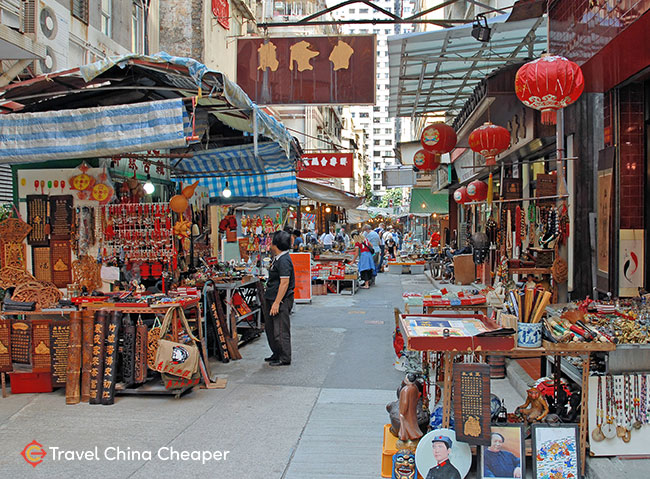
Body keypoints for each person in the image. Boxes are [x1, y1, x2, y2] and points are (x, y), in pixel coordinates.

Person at [263, 231, 295, 366]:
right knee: (271, 328)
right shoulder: (278, 258)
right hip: (272, 297)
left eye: (272, 241)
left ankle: (284, 357)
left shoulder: (284, 260)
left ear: (276, 244)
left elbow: (284, 283)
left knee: (280, 329)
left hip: (280, 300)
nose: (270, 243)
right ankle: (276, 353)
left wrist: (277, 302)